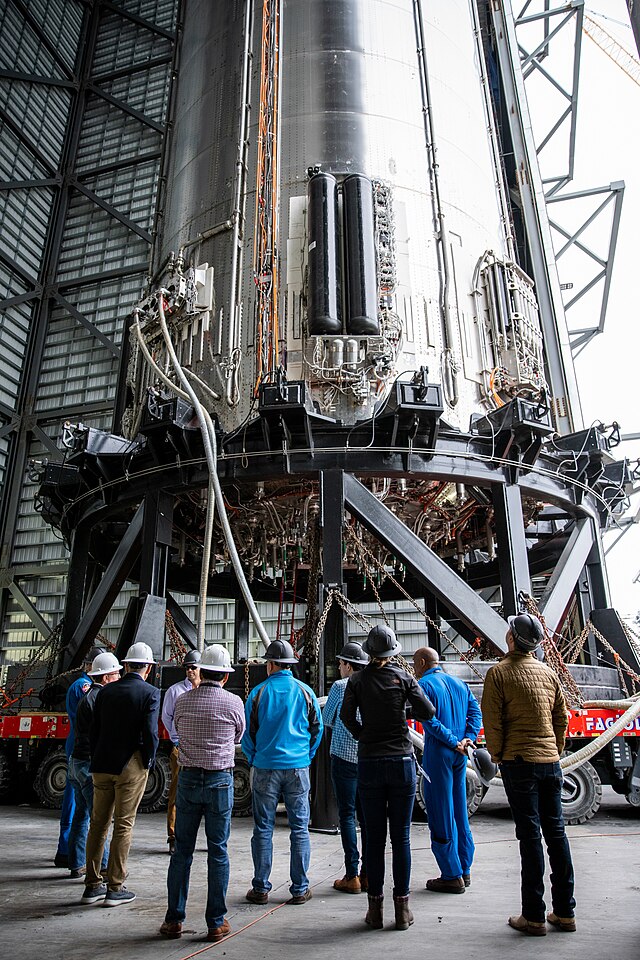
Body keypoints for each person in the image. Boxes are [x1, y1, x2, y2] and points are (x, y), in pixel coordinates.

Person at [481, 613, 576, 936]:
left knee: (530, 837)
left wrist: (497, 756)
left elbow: (492, 722)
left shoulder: (499, 673)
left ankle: (533, 915)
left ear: (511, 638)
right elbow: (562, 718)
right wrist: (554, 750)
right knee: (557, 834)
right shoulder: (549, 674)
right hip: (550, 762)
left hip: (519, 763)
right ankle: (565, 912)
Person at [341, 625, 435, 932]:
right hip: (401, 763)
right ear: (393, 651)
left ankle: (375, 909)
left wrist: (363, 735)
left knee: (374, 838)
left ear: (368, 651)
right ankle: (402, 908)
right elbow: (428, 711)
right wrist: (402, 710)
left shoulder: (356, 680)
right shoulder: (404, 678)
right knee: (401, 837)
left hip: (369, 762)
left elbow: (345, 717)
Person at [160, 644, 245, 942]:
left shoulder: (182, 701)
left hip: (189, 781)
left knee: (182, 851)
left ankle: (174, 920)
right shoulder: (234, 702)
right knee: (218, 851)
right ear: (224, 675)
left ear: (202, 670)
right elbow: (238, 735)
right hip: (220, 782)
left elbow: (176, 730)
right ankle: (215, 922)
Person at [241, 639, 323, 906]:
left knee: (263, 829)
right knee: (300, 829)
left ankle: (261, 888)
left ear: (273, 664)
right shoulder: (306, 692)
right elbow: (316, 729)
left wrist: (256, 758)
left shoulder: (258, 693)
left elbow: (248, 734)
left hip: (265, 767)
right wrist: (305, 757)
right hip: (298, 768)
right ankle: (300, 889)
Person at [81, 641, 160, 907]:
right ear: (148, 668)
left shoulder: (105, 691)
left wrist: (97, 755)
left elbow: (94, 730)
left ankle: (92, 885)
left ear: (125, 665)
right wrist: (148, 760)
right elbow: (150, 732)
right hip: (130, 765)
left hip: (101, 765)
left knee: (98, 824)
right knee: (123, 825)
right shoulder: (150, 693)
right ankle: (115, 887)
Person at [413, 646, 482, 893]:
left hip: (440, 752)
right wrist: (467, 740)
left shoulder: (424, 686)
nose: (413, 668)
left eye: (414, 663)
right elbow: (475, 713)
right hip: (460, 754)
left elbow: (429, 721)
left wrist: (452, 740)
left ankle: (451, 875)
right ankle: (465, 868)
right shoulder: (459, 684)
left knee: (441, 812)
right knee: (459, 811)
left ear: (422, 662)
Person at [67, 651, 121, 879]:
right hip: (89, 766)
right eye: (116, 674)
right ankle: (104, 867)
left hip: (75, 763)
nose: (119, 677)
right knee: (99, 821)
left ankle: (77, 863)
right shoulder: (101, 699)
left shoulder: (86, 696)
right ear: (106, 677)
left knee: (81, 817)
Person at [323, 640, 369, 894]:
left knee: (347, 816)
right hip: (368, 759)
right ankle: (368, 873)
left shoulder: (341, 687)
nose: (339, 668)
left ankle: (352, 875)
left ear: (348, 666)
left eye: (340, 663)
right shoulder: (372, 684)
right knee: (368, 818)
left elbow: (328, 718)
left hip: (343, 759)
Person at [54, 646, 102, 868]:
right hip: (81, 748)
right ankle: (69, 851)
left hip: (77, 744)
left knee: (77, 803)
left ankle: (70, 852)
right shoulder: (84, 687)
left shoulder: (81, 686)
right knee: (78, 804)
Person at [161, 648, 201, 854]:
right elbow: (167, 717)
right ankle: (173, 835)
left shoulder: (205, 690)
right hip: (180, 747)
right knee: (177, 793)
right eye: (187, 667)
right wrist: (176, 738)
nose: (190, 671)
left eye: (193, 667)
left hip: (200, 750)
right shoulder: (175, 692)